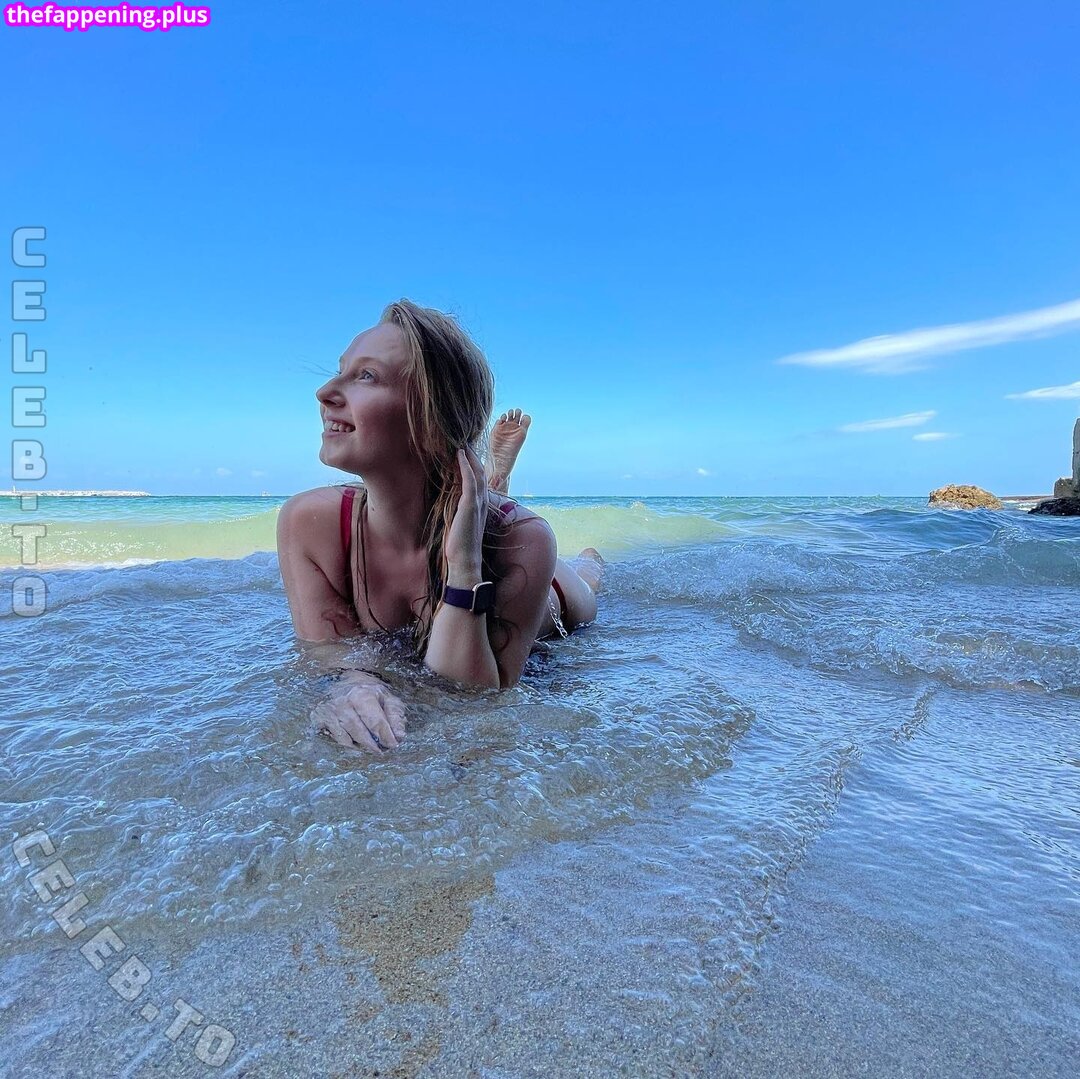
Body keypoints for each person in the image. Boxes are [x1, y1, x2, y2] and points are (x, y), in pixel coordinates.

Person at [276, 299, 604, 754]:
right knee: (482, 513)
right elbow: (325, 651)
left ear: (431, 421)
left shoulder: (525, 539)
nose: (325, 391)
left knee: (584, 582)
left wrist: (465, 566)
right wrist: (353, 683)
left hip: (539, 586)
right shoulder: (309, 523)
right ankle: (489, 485)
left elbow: (472, 694)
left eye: (366, 376)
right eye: (340, 371)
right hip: (476, 519)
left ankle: (537, 525)